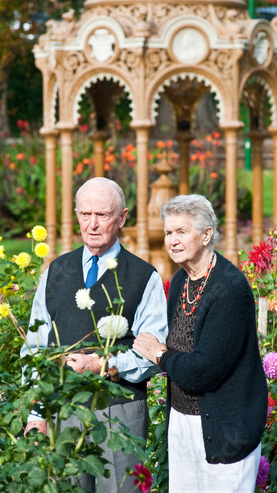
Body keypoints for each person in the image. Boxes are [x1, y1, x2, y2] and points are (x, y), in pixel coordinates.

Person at [21, 177, 168, 493]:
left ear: (123, 217)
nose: (92, 224)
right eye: (85, 214)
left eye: (102, 215)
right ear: (76, 215)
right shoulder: (55, 273)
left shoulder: (144, 278)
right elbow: (34, 348)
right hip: (62, 411)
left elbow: (151, 352)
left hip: (119, 415)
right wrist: (36, 412)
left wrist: (101, 364)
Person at [132, 193, 268, 493]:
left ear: (206, 235)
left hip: (225, 427)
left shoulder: (229, 289)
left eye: (182, 231)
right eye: (168, 232)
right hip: (183, 421)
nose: (172, 241)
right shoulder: (182, 280)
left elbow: (203, 371)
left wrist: (159, 353)